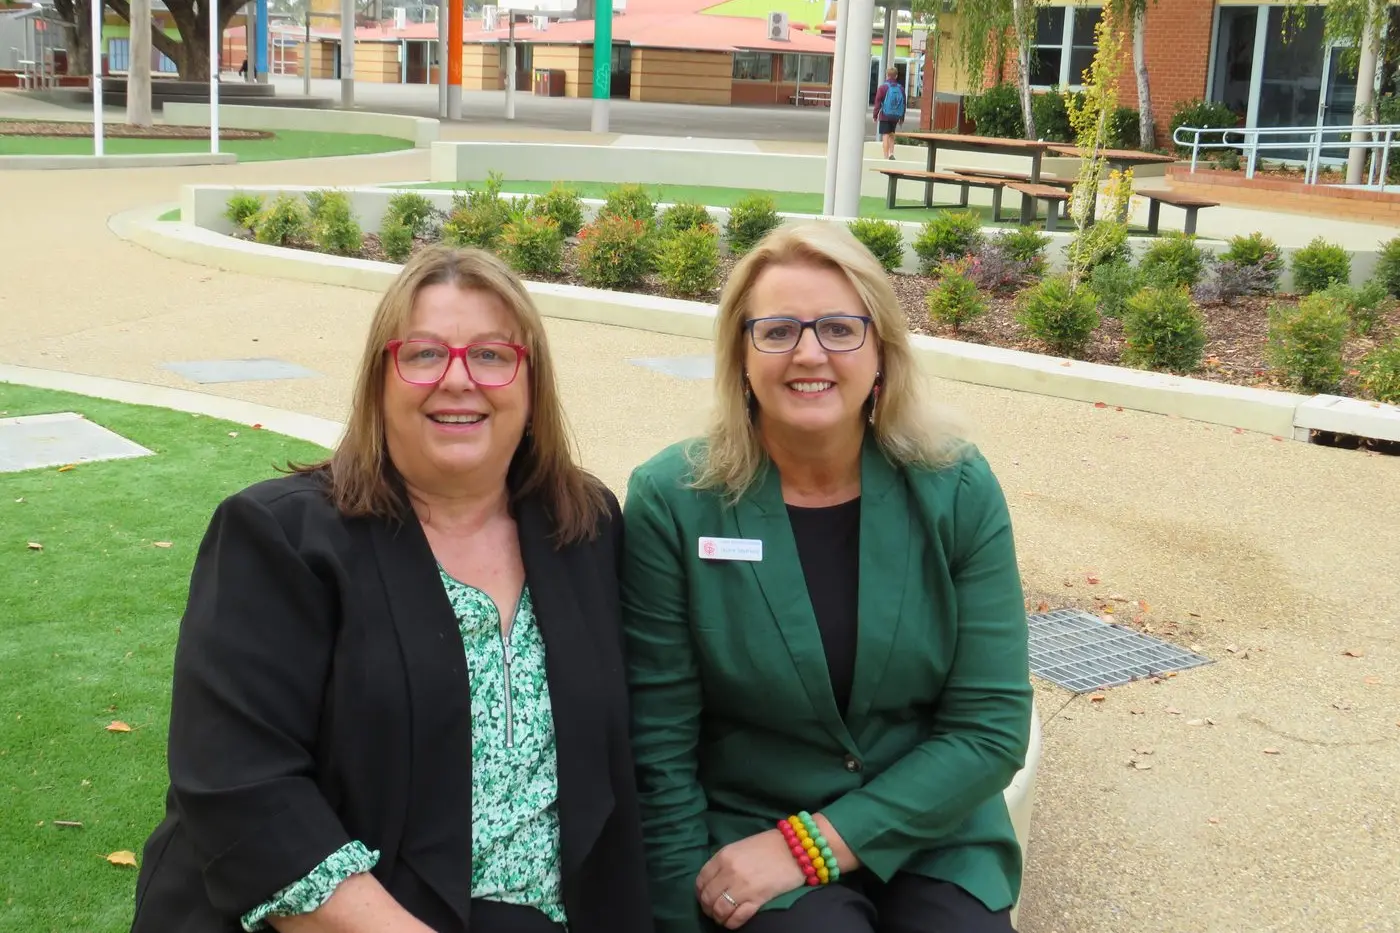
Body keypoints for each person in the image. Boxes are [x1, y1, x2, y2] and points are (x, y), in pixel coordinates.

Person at [130, 245, 654, 933]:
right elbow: (243, 789)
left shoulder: (582, 526)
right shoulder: (280, 538)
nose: (458, 379)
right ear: (381, 380)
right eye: (425, 354)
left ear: (532, 384)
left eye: (491, 354)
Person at [620, 223, 1032, 933]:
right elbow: (659, 748)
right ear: (740, 354)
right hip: (752, 829)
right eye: (777, 330)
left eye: (840, 328)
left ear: (882, 351)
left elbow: (990, 728)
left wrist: (812, 845)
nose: (809, 353)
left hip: (932, 827)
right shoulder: (674, 501)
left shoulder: (956, 488)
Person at [872, 68, 906, 160]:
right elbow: (903, 104)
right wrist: (902, 118)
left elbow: (877, 103)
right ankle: (891, 153)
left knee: (885, 135)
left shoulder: (883, 88)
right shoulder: (901, 88)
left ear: (887, 75)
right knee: (891, 134)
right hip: (896, 116)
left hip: (885, 115)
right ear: (896, 76)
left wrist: (875, 115)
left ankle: (885, 157)